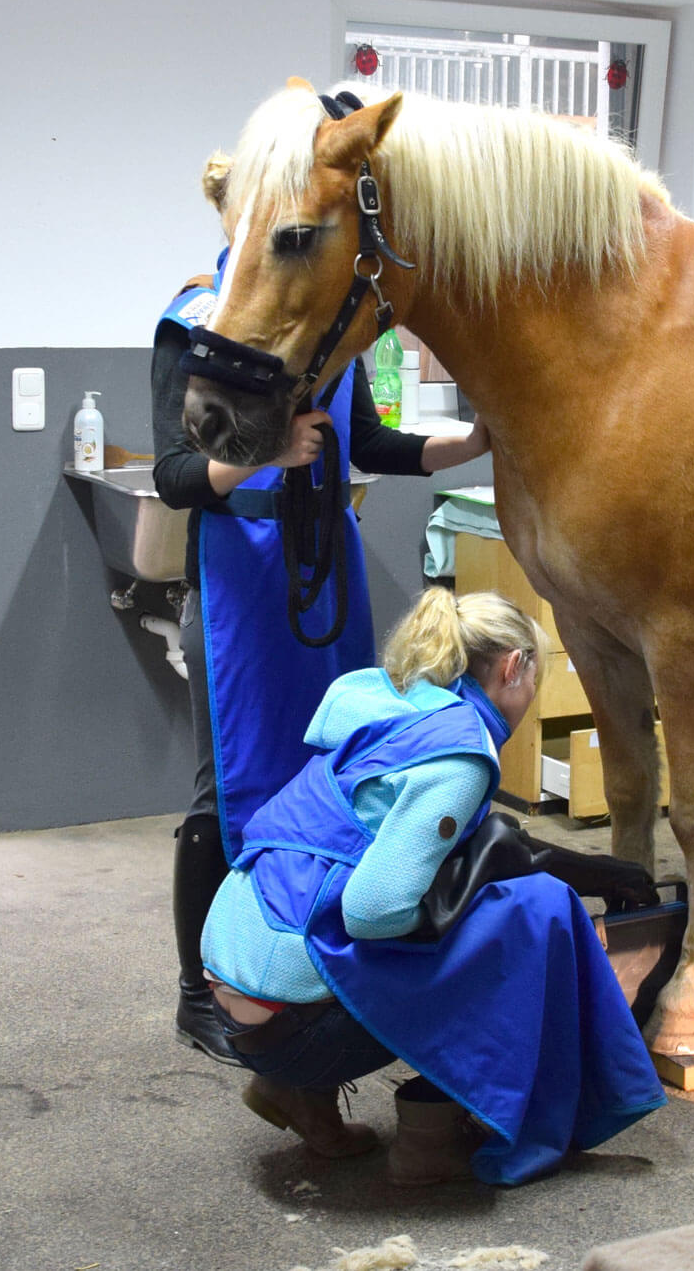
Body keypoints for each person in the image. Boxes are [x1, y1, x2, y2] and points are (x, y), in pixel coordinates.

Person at [153, 233, 491, 1064]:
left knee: (331, 773)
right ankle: (202, 990)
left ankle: (309, 963)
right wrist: (261, 455)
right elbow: (173, 476)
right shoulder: (195, 321)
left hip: (323, 564)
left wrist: (475, 444)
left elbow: (370, 445)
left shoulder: (327, 330)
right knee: (226, 781)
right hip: (240, 570)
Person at [201, 588, 667, 1185]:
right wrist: (473, 902)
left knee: (478, 905)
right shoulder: (457, 753)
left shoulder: (386, 702)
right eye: (535, 679)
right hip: (295, 1026)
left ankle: (296, 1095)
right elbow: (372, 912)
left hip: (240, 990)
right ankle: (430, 1139)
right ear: (513, 667)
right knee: (536, 913)